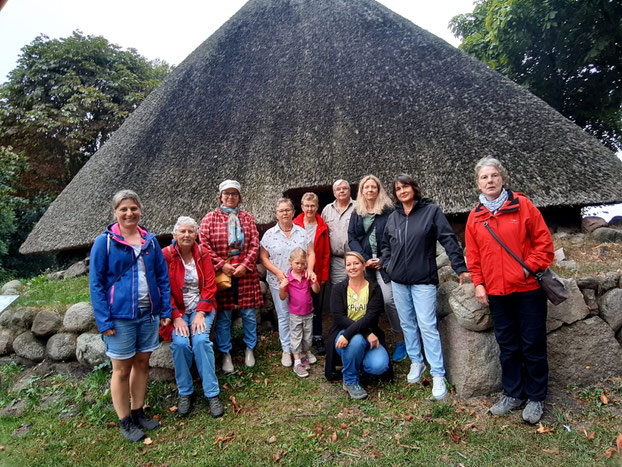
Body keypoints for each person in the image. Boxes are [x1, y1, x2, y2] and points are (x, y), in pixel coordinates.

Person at [465, 157, 554, 424]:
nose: (489, 181)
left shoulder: (523, 206)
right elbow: (474, 256)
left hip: (527, 290)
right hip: (497, 293)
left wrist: (527, 268)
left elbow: (544, 244)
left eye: (494, 176)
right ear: (478, 183)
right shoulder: (475, 217)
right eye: (484, 177)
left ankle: (536, 397)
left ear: (503, 178)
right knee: (508, 346)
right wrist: (479, 284)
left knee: (533, 344)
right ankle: (513, 393)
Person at [90, 190, 172, 442]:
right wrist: (104, 321)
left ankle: (138, 411)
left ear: (140, 209)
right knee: (121, 369)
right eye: (124, 209)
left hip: (148, 314)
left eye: (133, 208)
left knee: (142, 364)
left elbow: (162, 277)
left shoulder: (150, 241)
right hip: (120, 316)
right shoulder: (104, 242)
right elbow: (96, 283)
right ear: (115, 212)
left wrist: (165, 309)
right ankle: (125, 420)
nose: (129, 213)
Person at [380, 174, 470, 400]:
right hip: (399, 281)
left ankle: (437, 372)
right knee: (407, 324)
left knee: (427, 325)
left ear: (414, 188)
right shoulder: (393, 217)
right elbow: (385, 245)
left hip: (423, 281)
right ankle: (416, 361)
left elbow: (449, 239)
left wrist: (460, 268)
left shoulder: (431, 211)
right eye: (398, 189)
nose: (402, 191)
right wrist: (388, 265)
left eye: (406, 187)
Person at [161, 216, 224, 418]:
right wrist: (176, 315)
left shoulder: (203, 253)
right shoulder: (166, 255)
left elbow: (210, 285)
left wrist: (200, 312)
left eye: (190, 231)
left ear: (196, 234)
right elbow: (162, 288)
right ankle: (185, 392)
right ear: (174, 234)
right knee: (180, 344)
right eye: (183, 231)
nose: (187, 235)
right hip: (177, 311)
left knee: (200, 341)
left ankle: (212, 393)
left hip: (201, 308)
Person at [199, 180, 263, 374]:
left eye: (234, 194)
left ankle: (249, 348)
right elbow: (203, 245)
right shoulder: (210, 219)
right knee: (224, 316)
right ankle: (225, 353)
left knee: (249, 315)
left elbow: (254, 244)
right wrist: (222, 265)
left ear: (239, 197)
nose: (230, 197)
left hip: (245, 273)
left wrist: (245, 265)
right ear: (220, 196)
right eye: (227, 194)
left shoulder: (247, 218)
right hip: (222, 274)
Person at [348, 175, 406, 362]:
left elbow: (393, 237)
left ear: (378, 189)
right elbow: (352, 238)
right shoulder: (357, 211)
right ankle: (367, 338)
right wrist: (364, 260)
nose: (370, 190)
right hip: (365, 264)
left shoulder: (388, 211)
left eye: (374, 187)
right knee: (365, 303)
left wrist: (383, 259)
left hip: (383, 263)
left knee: (389, 300)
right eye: (367, 187)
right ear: (362, 191)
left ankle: (400, 339)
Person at [324, 251, 391, 400]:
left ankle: (354, 364)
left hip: (368, 334)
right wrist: (364, 333)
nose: (352, 267)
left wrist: (366, 332)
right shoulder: (338, 289)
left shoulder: (374, 288)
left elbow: (371, 316)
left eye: (356, 263)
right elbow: (339, 318)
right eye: (348, 264)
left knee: (380, 366)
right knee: (356, 340)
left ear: (363, 266)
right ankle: (350, 380)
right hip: (344, 335)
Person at [260, 197, 316, 367]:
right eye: (281, 211)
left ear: (293, 212)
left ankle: (304, 349)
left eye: (288, 210)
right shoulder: (269, 234)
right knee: (284, 316)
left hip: (300, 282)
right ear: (276, 214)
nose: (285, 213)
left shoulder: (302, 232)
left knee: (303, 315)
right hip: (281, 282)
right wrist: (277, 272)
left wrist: (310, 269)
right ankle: (287, 349)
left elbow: (311, 253)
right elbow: (263, 257)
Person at [293, 192, 330, 355]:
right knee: (300, 304)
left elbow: (326, 253)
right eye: (306, 206)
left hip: (315, 271)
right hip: (298, 271)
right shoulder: (295, 224)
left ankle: (317, 337)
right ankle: (300, 338)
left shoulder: (322, 225)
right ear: (301, 207)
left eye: (313, 205)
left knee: (316, 304)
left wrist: (323, 276)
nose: (309, 209)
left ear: (317, 206)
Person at [279, 248, 321, 378]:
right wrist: (282, 287)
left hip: (308, 312)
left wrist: (314, 280)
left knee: (307, 337)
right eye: (297, 263)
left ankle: (304, 354)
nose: (299, 266)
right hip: (295, 314)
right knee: (296, 336)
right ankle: (297, 362)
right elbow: (282, 297)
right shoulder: (288, 278)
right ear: (290, 262)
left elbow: (316, 291)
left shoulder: (306, 275)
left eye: (302, 264)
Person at [321, 179, 354, 285]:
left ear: (349, 191)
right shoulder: (327, 210)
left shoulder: (359, 207)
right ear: (334, 193)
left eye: (344, 188)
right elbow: (322, 233)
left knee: (357, 290)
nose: (342, 191)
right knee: (339, 291)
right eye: (338, 189)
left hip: (355, 258)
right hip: (336, 260)